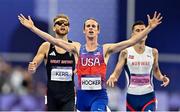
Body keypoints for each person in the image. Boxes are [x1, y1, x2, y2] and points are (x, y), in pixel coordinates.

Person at [18, 11, 162, 111]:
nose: (91, 28)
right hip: (82, 97)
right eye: (88, 26)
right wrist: (33, 28)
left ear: (98, 31)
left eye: (94, 26)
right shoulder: (77, 48)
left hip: (99, 96)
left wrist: (149, 27)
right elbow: (53, 40)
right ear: (84, 31)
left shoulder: (106, 49)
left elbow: (132, 41)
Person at [107, 20, 170, 111]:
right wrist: (113, 76)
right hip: (131, 98)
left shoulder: (153, 52)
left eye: (143, 30)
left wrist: (162, 78)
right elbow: (117, 71)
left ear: (147, 33)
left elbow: (156, 71)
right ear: (132, 35)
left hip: (148, 97)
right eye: (138, 30)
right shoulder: (125, 52)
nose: (141, 33)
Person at [27, 14, 76, 111]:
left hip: (69, 96)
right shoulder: (46, 46)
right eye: (59, 23)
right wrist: (33, 66)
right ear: (54, 27)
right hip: (51, 96)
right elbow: (36, 61)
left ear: (69, 28)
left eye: (66, 24)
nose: (63, 25)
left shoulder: (75, 46)